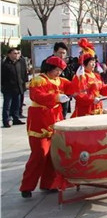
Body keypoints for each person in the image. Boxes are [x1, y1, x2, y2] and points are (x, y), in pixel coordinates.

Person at [19, 56, 74, 198]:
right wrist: (56, 98)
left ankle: (49, 183)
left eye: (60, 70)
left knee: (52, 155)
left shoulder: (60, 80)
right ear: (49, 68)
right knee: (39, 154)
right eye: (56, 70)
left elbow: (74, 87)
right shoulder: (39, 80)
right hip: (40, 122)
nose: (59, 73)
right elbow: (36, 96)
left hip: (55, 119)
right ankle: (27, 186)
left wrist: (79, 78)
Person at [40, 42, 73, 118]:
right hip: (51, 95)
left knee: (63, 114)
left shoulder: (65, 63)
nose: (62, 55)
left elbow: (69, 77)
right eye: (60, 53)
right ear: (54, 52)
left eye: (64, 53)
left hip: (64, 94)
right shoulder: (48, 62)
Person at [2, 48, 26, 127]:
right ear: (9, 54)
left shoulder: (19, 63)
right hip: (8, 88)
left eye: (17, 53)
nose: (16, 55)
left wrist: (23, 84)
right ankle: (6, 120)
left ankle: (16, 119)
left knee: (17, 105)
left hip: (18, 88)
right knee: (7, 105)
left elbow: (22, 74)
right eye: (14, 53)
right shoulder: (5, 64)